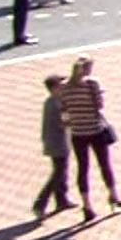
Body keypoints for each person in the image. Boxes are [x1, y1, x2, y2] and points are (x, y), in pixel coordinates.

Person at [58, 56, 121, 222]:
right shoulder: (92, 84)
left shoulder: (64, 87)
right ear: (87, 69)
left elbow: (63, 110)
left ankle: (87, 205)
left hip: (77, 132)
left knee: (83, 168)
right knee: (104, 164)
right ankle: (114, 195)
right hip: (95, 129)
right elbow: (99, 105)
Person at [34, 74, 74, 219]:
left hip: (54, 141)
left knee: (61, 171)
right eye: (61, 86)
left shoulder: (51, 102)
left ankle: (61, 200)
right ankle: (40, 204)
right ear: (54, 88)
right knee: (58, 173)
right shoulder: (57, 105)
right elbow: (64, 123)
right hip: (57, 143)